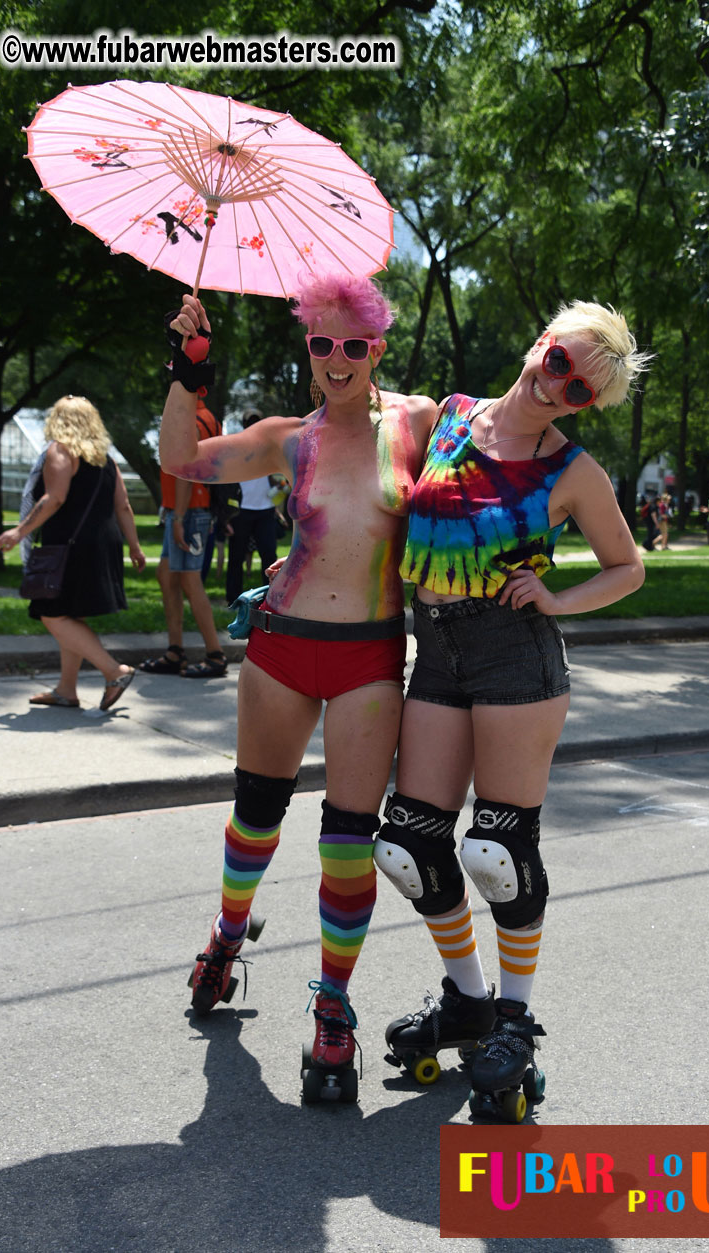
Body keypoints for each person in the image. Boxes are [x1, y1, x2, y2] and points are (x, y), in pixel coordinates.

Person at [374, 301, 650, 1117]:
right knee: (409, 847)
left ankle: (517, 1020)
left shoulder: (573, 471)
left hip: (514, 657)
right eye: (559, 360)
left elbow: (627, 567)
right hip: (438, 652)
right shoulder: (451, 418)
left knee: (496, 851)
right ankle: (469, 1001)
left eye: (578, 391)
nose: (557, 384)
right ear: (541, 342)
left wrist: (558, 600)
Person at [160, 274, 435, 1083]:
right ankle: (226, 935)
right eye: (323, 343)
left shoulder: (418, 422)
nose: (338, 358)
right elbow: (182, 458)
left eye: (355, 344)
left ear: (377, 348)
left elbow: (506, 436)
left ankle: (331, 1009)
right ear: (308, 350)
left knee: (348, 842)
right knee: (255, 818)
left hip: (369, 658)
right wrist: (189, 366)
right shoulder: (290, 437)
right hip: (282, 648)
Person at [0, 396, 146, 710]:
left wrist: (19, 531)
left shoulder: (59, 450)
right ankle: (66, 690)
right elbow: (124, 506)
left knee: (51, 613)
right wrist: (135, 546)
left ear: (58, 419)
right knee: (73, 616)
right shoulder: (106, 460)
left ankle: (114, 671)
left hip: (71, 547)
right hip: (103, 544)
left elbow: (55, 497)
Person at [139, 397, 228, 678]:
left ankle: (215, 654)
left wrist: (177, 516)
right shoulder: (207, 416)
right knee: (167, 575)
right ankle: (175, 651)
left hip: (188, 510)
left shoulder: (187, 418)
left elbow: (186, 470)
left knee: (189, 580)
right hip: (187, 508)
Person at [224, 410, 280, 606]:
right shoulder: (236, 446)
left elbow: (270, 475)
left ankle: (270, 599)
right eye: (250, 422)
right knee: (236, 557)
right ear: (244, 424)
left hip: (265, 510)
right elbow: (227, 482)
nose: (253, 425)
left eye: (257, 421)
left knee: (269, 556)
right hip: (242, 510)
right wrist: (227, 515)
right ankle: (233, 599)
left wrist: (277, 492)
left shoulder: (269, 447)